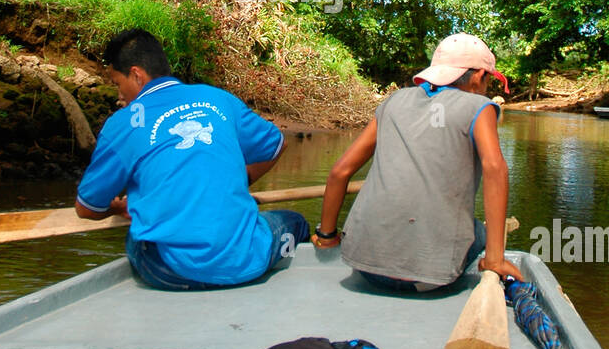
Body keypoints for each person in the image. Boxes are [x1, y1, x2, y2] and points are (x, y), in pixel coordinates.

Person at [74, 28, 309, 290]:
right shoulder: (217, 98)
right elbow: (277, 144)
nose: (120, 96)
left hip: (168, 271)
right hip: (245, 261)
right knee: (296, 223)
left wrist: (119, 208)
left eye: (118, 84)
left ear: (136, 75)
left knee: (138, 236)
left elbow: (87, 208)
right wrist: (243, 179)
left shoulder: (123, 123)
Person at [311, 32, 524, 290]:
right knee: (478, 231)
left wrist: (327, 236)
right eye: (489, 79)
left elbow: (340, 171)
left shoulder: (394, 101)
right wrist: (495, 259)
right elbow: (495, 169)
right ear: (479, 76)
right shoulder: (479, 106)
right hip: (430, 279)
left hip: (362, 264)